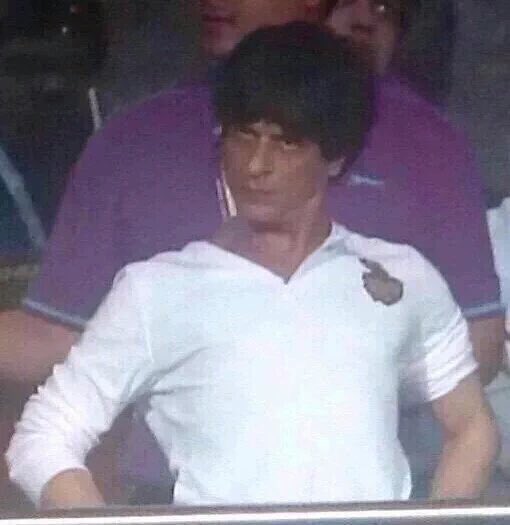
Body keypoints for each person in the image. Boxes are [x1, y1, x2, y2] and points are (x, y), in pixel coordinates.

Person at [0, 0, 504, 501]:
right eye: (244, 137)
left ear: (335, 157)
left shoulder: (401, 278)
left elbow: (472, 428)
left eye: (286, 144)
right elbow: (44, 437)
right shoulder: (157, 290)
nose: (256, 165)